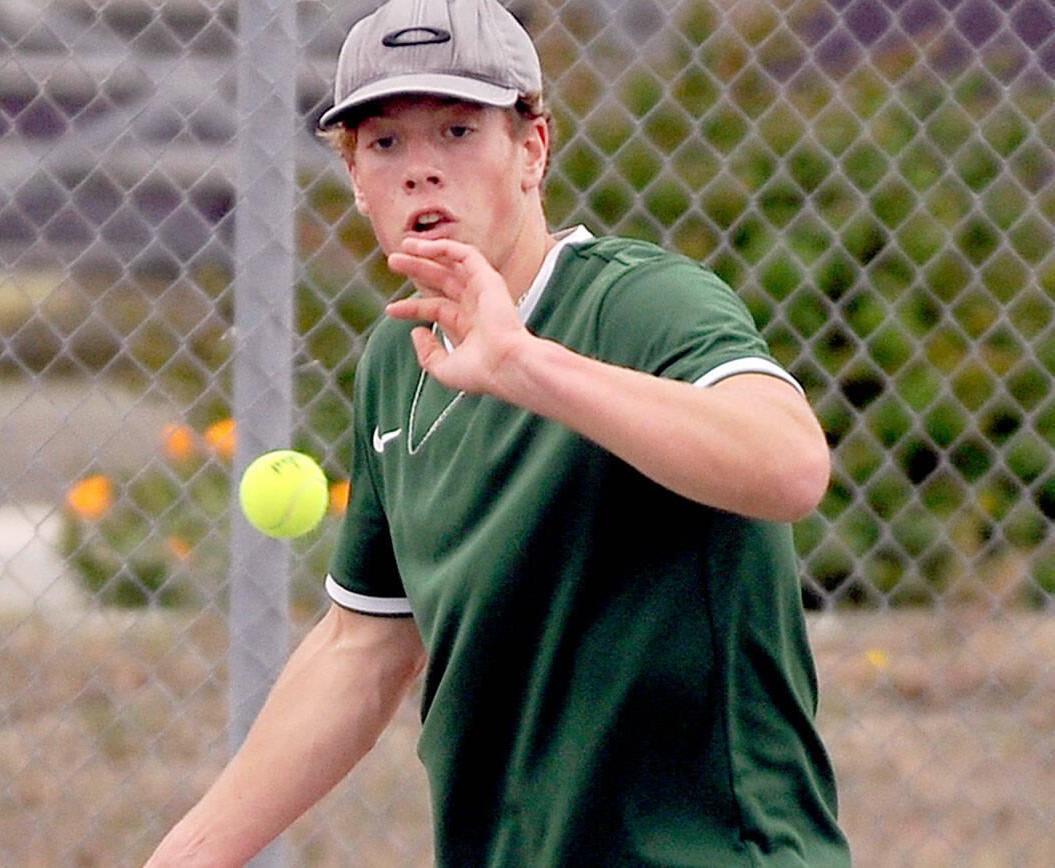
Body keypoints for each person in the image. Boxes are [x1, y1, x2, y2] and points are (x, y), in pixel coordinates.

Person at [145, 0, 850, 864]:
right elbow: (363, 649)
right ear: (358, 181)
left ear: (532, 150)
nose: (420, 170)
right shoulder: (397, 364)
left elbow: (789, 467)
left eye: (457, 130)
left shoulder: (641, 301)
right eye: (385, 143)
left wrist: (525, 365)